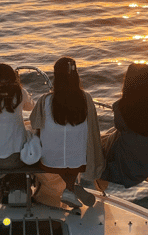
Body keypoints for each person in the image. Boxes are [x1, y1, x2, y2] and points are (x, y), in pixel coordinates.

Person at [30, 57, 104, 208]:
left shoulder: (45, 100)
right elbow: (93, 127)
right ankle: (71, 188)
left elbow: (34, 123)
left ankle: (70, 189)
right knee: (72, 153)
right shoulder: (86, 98)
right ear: (76, 76)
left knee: (50, 151)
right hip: (80, 163)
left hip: (49, 163)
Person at [99, 63, 148, 188]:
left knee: (103, 145)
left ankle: (99, 180)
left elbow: (120, 126)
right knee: (111, 137)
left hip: (131, 164)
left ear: (127, 83)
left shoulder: (120, 106)